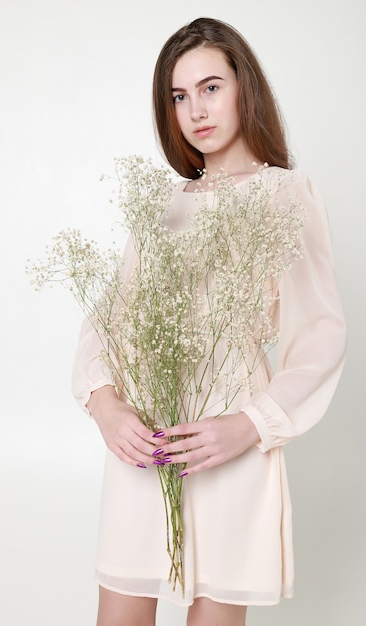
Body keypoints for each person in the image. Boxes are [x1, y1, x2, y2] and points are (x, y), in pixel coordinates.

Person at [72, 17, 347, 626]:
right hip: (145, 445)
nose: (195, 109)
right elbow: (109, 318)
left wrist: (251, 425)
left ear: (244, 87)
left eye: (211, 87)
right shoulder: (165, 204)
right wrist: (107, 407)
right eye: (178, 95)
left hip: (226, 445)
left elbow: (321, 335)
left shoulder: (286, 194)